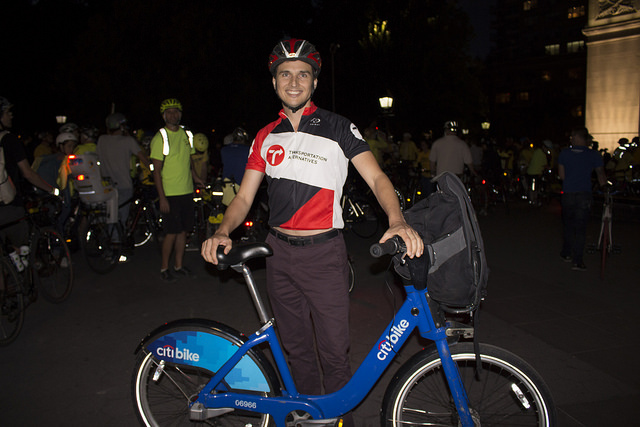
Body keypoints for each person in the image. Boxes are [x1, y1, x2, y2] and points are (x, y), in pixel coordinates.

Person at [201, 39, 423, 417]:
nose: (293, 81)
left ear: (314, 82)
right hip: (278, 254)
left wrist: (397, 220)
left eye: (302, 74)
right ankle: (308, 418)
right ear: (274, 82)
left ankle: (339, 419)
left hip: (324, 254)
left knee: (335, 354)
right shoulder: (265, 135)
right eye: (284, 74)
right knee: (296, 350)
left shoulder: (338, 127)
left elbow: (377, 178)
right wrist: (224, 231)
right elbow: (243, 199)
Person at [150, 98, 204, 282]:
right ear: (164, 115)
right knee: (171, 232)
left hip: (186, 191)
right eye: (169, 112)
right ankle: (164, 267)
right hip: (170, 194)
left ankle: (178, 265)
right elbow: (156, 170)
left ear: (180, 114)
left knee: (183, 231)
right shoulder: (160, 137)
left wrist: (196, 178)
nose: (173, 115)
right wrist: (162, 197)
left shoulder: (186, 134)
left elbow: (188, 160)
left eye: (176, 111)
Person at [0, 97, 59, 249]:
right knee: (22, 249)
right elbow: (28, 173)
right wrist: (52, 190)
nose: (11, 116)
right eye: (7, 112)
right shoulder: (9, 140)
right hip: (9, 205)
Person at [558, 127, 607, 271]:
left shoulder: (564, 153)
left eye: (573, 136)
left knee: (568, 225)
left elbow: (562, 176)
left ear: (577, 137)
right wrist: (605, 189)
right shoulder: (593, 154)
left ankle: (566, 253)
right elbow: (601, 175)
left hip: (568, 193)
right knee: (580, 228)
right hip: (584, 194)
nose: (571, 139)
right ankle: (577, 260)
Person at [96, 112, 150, 225]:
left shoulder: (102, 140)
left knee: (110, 215)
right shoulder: (128, 141)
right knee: (121, 217)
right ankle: (117, 241)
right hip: (123, 184)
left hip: (106, 185)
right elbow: (144, 159)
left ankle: (111, 239)